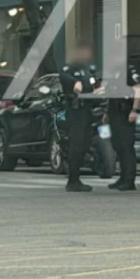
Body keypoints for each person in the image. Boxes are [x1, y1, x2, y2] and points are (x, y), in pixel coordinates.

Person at [60, 43, 99, 193]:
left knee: (85, 143)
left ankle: (77, 177)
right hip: (76, 110)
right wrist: (74, 82)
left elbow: (93, 84)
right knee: (76, 144)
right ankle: (73, 180)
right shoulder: (70, 67)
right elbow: (63, 76)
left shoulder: (88, 70)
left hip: (87, 110)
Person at [106, 47, 140, 192]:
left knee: (127, 147)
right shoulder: (114, 73)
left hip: (125, 113)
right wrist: (107, 113)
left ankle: (129, 180)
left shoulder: (129, 71)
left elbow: (138, 89)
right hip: (115, 114)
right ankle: (122, 177)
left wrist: (134, 110)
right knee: (118, 146)